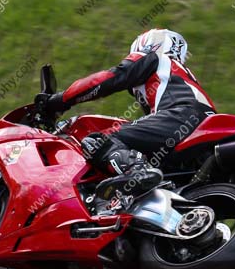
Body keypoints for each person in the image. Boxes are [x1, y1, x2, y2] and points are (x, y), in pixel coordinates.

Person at [38, 29, 216, 200]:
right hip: (202, 127)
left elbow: (110, 79)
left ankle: (137, 170)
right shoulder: (179, 75)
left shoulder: (154, 57)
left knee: (97, 141)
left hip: (180, 116)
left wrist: (59, 101)